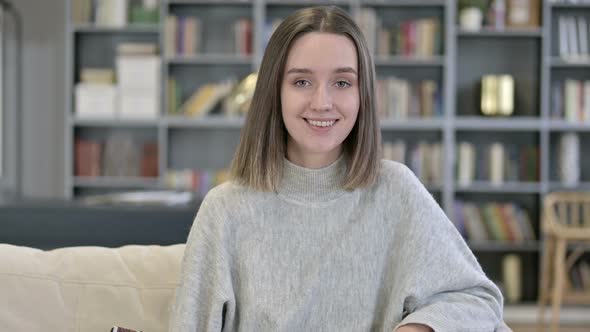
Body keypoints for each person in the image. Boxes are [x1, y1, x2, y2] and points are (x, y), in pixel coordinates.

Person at [169, 6, 504, 332]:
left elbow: (478, 300)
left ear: (362, 95)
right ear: (274, 92)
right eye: (301, 82)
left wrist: (418, 327)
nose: (322, 102)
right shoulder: (225, 210)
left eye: (342, 83)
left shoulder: (396, 190)